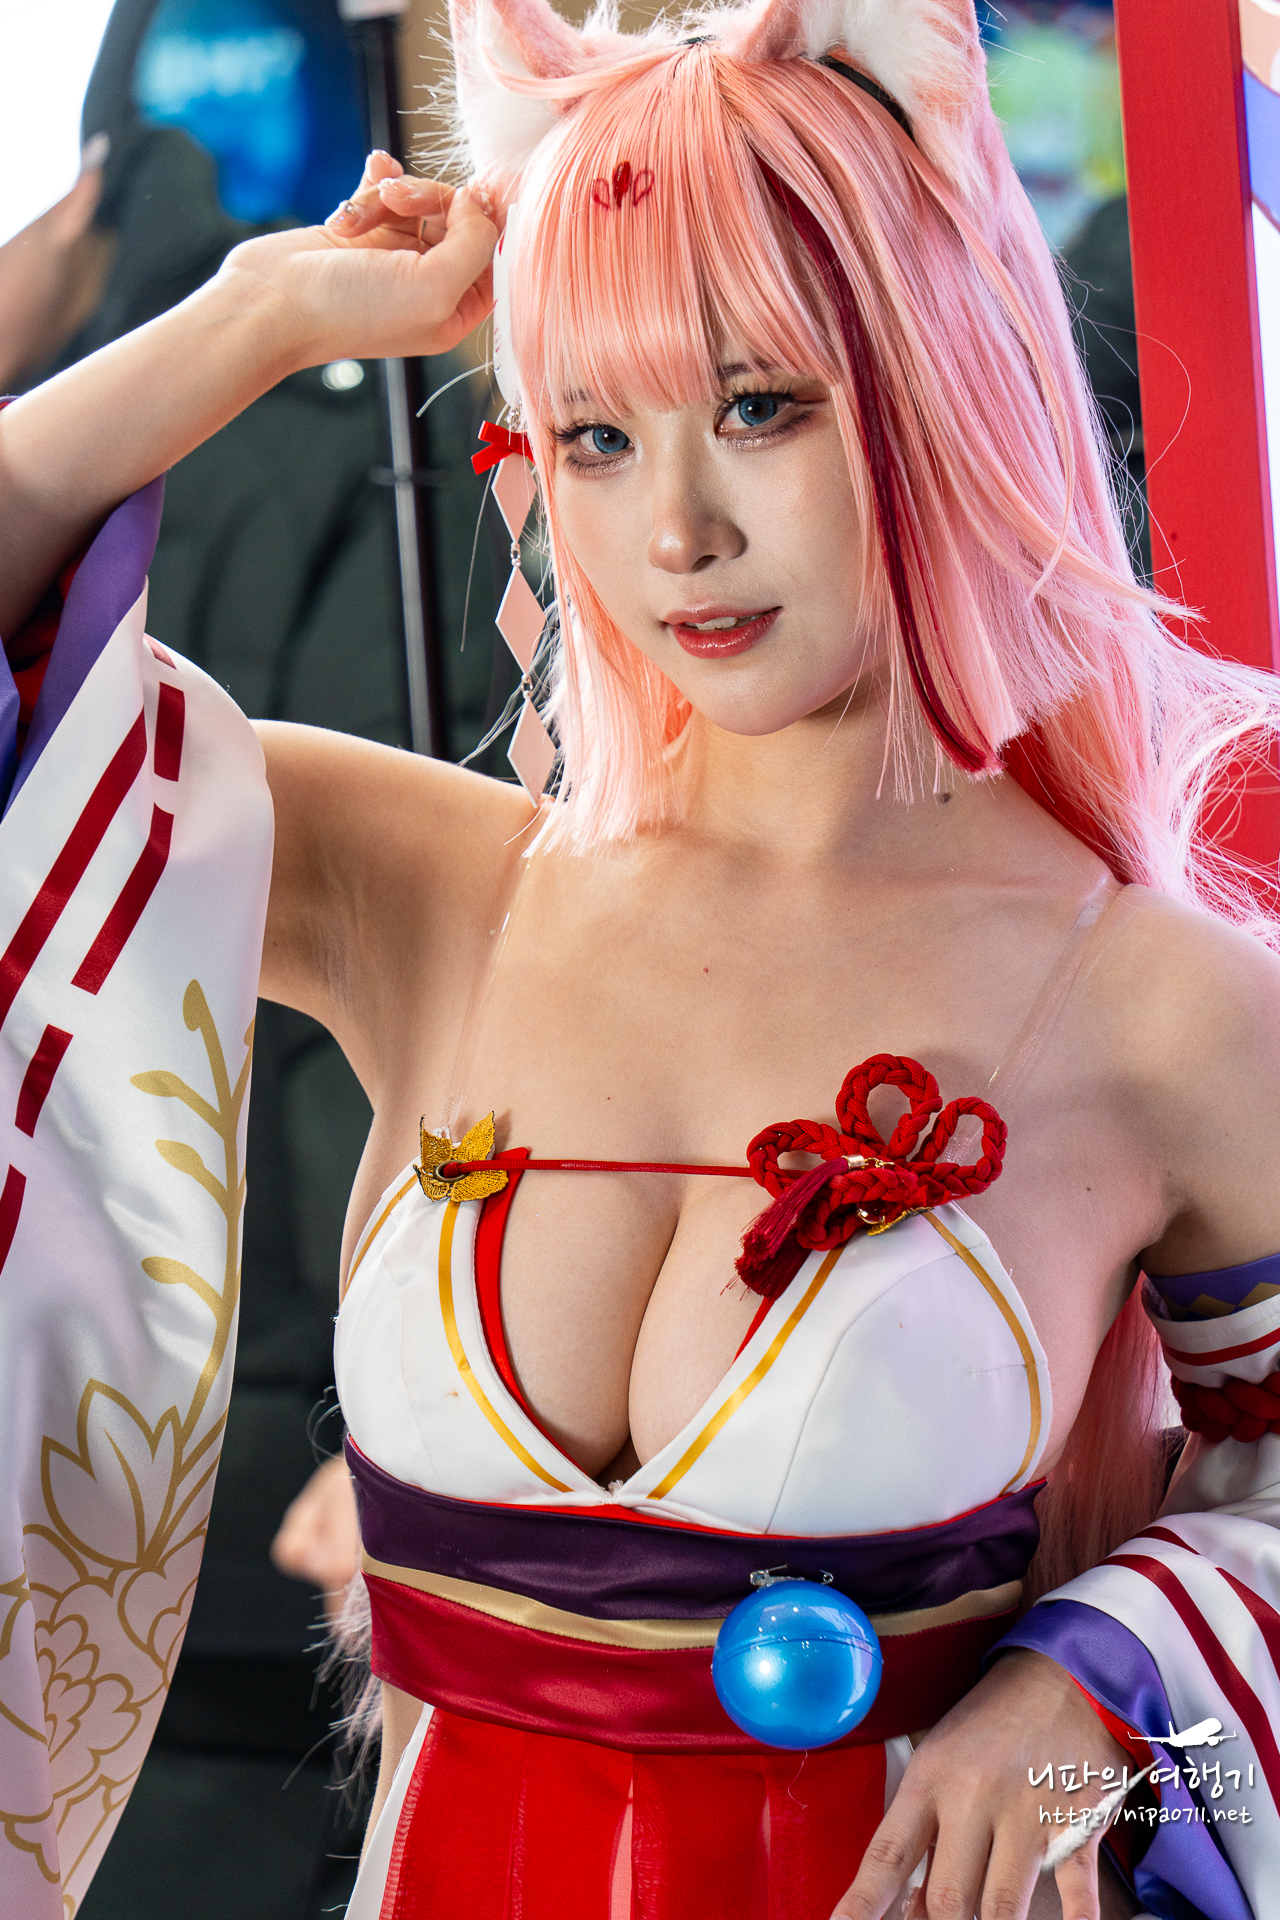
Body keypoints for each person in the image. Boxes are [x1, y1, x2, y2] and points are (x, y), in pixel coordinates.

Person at [3, 1, 1280, 1917]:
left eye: (760, 408)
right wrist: (260, 315)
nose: (676, 529)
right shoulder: (436, 889)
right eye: (595, 436)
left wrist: (1098, 1692)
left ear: (934, 385)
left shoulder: (1165, 1001)